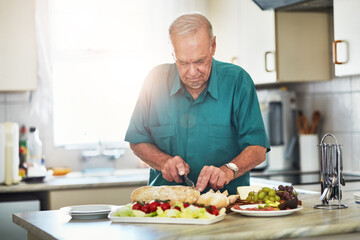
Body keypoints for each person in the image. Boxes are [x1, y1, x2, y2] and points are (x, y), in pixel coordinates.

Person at [125, 13, 270, 195]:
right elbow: (137, 140)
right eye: (183, 63)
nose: (192, 72)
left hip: (227, 207)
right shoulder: (154, 81)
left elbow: (257, 148)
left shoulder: (238, 81)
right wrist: (163, 162)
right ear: (173, 53)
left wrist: (228, 169)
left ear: (213, 46)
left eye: (200, 61)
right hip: (164, 209)